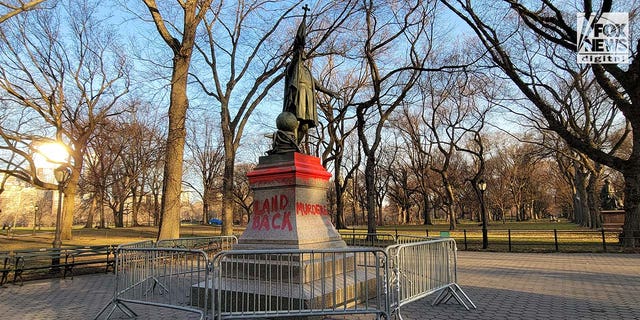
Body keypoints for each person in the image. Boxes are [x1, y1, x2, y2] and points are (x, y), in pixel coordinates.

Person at [283, 6, 339, 145]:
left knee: (305, 125)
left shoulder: (307, 71)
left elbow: (318, 85)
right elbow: (297, 51)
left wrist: (331, 93)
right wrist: (300, 42)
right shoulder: (293, 67)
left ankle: (295, 144)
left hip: (308, 97)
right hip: (298, 97)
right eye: (302, 52)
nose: (304, 53)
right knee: (295, 121)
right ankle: (292, 145)